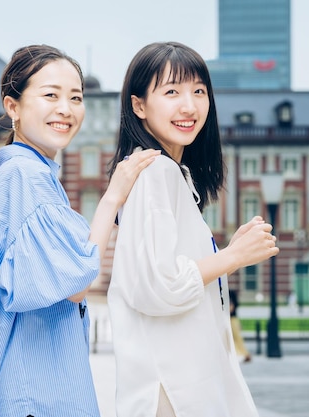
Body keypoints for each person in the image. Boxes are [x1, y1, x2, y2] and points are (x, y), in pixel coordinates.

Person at [0, 44, 159, 417]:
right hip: (38, 393)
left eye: (75, 97)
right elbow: (75, 284)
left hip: (37, 388)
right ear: (12, 106)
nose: (66, 109)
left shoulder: (31, 173)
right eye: (50, 96)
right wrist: (113, 196)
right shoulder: (27, 176)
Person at [107, 41, 279, 416]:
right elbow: (158, 286)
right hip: (172, 391)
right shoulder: (156, 171)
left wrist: (224, 255)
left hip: (180, 385)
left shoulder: (173, 174)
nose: (189, 106)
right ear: (139, 105)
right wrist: (232, 257)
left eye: (198, 91)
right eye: (172, 92)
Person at [230, 289, 252, 362]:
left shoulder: (231, 293)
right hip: (230, 318)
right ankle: (241, 354)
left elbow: (234, 306)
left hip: (232, 318)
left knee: (237, 337)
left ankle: (244, 354)